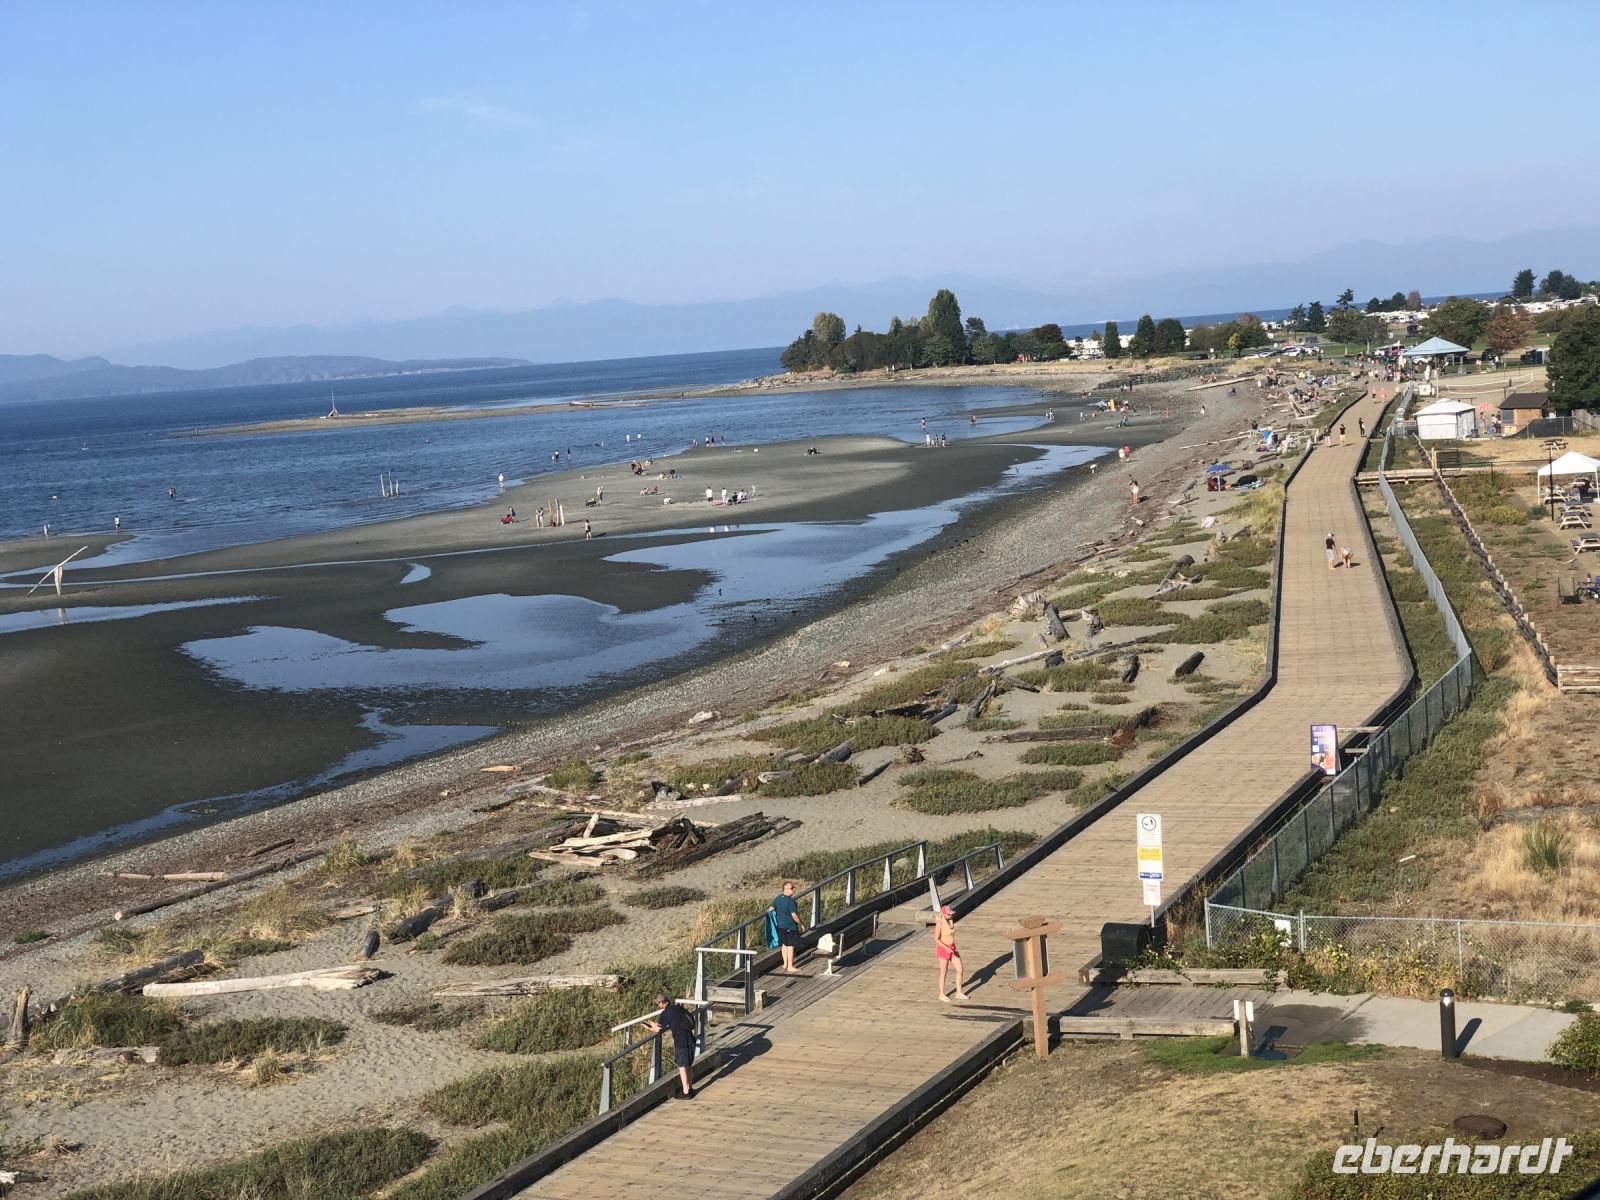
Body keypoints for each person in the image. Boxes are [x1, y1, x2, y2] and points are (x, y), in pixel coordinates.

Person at [643, 991, 696, 1100]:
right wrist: (656, 1024)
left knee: (682, 1066)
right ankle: (690, 1088)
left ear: (662, 1003)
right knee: (688, 1065)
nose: (658, 1006)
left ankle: (686, 1092)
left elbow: (657, 1029)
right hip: (690, 1038)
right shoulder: (677, 1007)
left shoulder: (666, 1013)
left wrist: (648, 1027)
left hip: (680, 1041)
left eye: (658, 1004)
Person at [768, 880, 806, 974]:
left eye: (793, 888)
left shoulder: (778, 898)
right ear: (786, 889)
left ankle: (785, 964)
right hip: (790, 926)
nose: (793, 889)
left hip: (781, 926)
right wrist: (801, 924)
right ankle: (790, 966)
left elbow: (770, 909)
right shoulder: (790, 901)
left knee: (784, 945)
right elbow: (794, 915)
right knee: (790, 946)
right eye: (792, 888)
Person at [934, 904, 969, 1001]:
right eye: (948, 914)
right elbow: (936, 939)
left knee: (960, 969)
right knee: (944, 971)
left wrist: (952, 948)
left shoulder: (950, 921)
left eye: (951, 914)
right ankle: (941, 994)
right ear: (943, 914)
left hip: (953, 948)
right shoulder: (939, 923)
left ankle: (959, 992)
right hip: (943, 949)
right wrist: (946, 948)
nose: (951, 915)